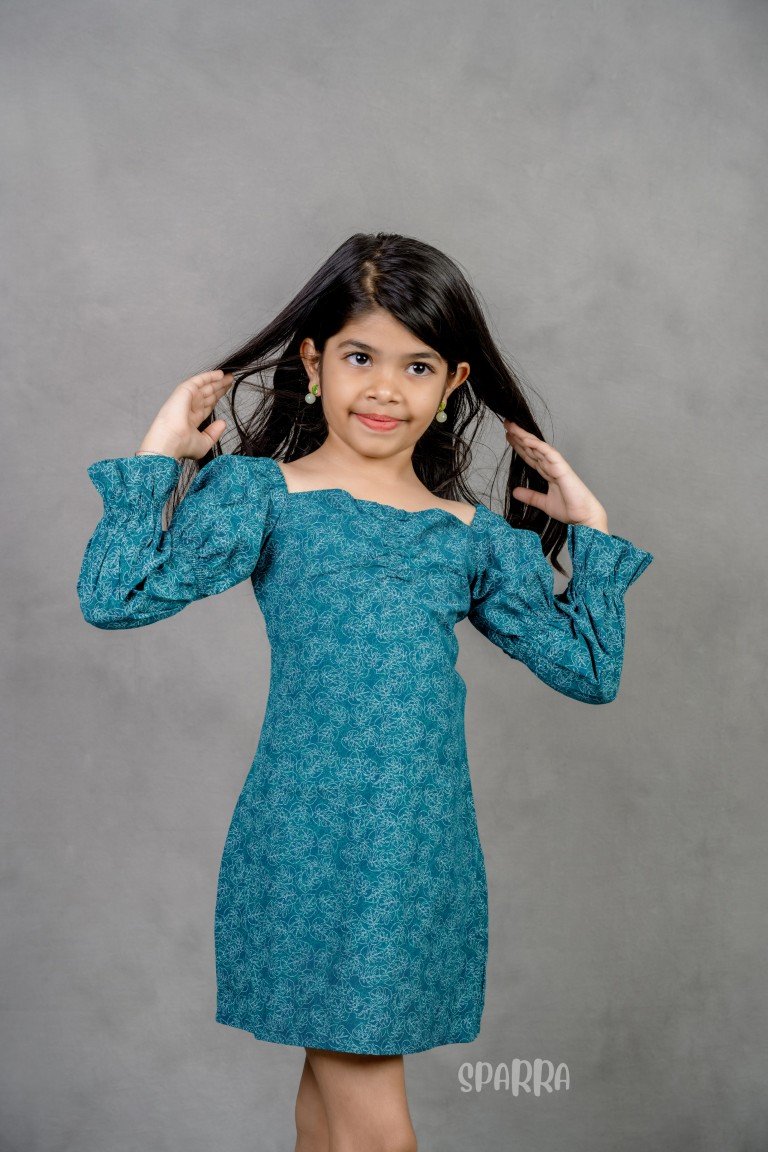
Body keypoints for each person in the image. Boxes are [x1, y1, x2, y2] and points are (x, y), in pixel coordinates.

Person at [76, 231, 653, 1152]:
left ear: (453, 382)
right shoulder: (263, 496)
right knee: (375, 1130)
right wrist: (158, 456)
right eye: (359, 357)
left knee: (332, 1112)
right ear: (313, 363)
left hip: (421, 855)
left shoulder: (473, 537)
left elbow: (589, 670)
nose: (386, 389)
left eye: (416, 366)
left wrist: (592, 532)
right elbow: (115, 598)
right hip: (310, 842)